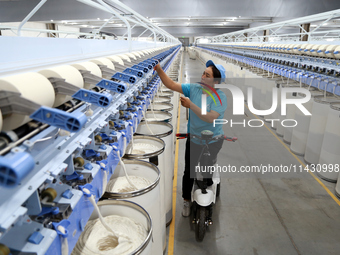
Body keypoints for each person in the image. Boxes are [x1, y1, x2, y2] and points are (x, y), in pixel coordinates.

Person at [153, 59, 227, 217]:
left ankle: (207, 188)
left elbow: (210, 118)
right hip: (195, 138)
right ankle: (186, 200)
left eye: (207, 75)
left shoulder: (220, 97)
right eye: (203, 72)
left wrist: (191, 105)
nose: (203, 76)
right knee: (189, 170)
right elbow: (172, 85)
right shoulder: (194, 88)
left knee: (207, 167)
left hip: (213, 140)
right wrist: (158, 69)